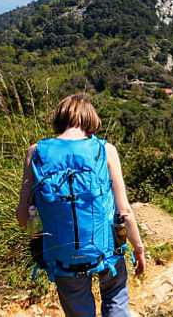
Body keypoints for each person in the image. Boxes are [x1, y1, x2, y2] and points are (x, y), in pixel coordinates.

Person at [16, 93, 146, 317]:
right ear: (90, 122)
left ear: (60, 119)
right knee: (115, 296)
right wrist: (139, 249)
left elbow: (21, 217)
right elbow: (124, 211)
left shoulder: (35, 153)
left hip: (63, 258)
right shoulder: (105, 150)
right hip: (107, 254)